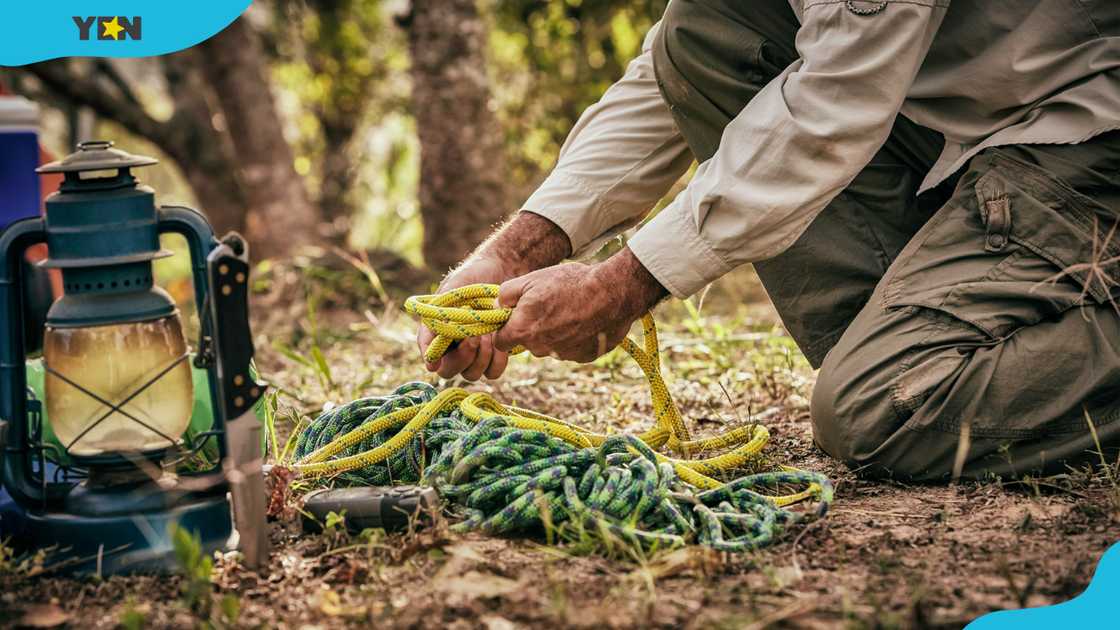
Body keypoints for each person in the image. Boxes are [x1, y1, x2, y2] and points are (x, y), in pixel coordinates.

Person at [416, 0, 1120, 481]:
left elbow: (836, 99)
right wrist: (517, 251)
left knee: (877, 411)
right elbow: (668, 74)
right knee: (706, 28)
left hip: (1080, 135)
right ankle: (930, 341)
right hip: (961, 128)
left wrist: (620, 285)